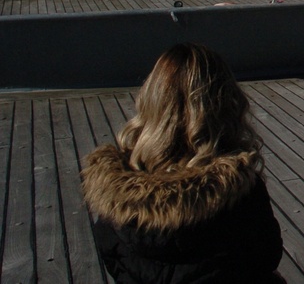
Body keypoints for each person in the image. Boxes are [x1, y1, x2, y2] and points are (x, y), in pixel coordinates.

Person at [81, 43, 284, 283]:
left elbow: (114, 260)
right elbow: (266, 256)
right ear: (224, 104)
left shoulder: (112, 200)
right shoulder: (240, 196)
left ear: (151, 100)